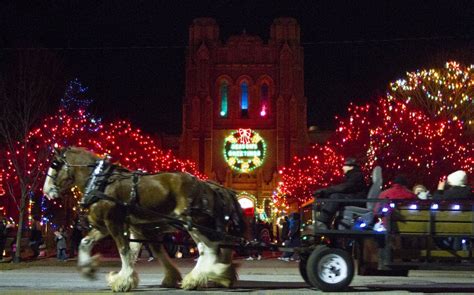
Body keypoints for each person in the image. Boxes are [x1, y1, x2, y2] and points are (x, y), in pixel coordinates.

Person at [314, 158, 367, 229]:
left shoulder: (356, 175)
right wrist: (325, 193)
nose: (342, 167)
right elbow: (342, 188)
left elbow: (345, 187)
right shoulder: (351, 176)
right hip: (355, 197)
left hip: (358, 199)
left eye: (345, 165)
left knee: (335, 197)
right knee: (334, 196)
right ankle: (327, 223)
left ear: (351, 167)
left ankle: (322, 222)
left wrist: (325, 191)